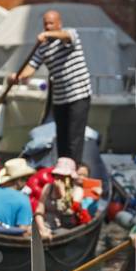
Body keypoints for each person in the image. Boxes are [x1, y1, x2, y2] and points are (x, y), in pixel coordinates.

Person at [10, 10, 92, 163]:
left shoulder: (69, 35)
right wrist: (17, 76)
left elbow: (67, 36)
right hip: (60, 98)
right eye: (45, 24)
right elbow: (31, 68)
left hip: (79, 94)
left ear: (59, 24)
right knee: (61, 137)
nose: (47, 26)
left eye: (51, 23)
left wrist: (48, 35)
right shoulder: (43, 47)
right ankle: (62, 169)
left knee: (74, 136)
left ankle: (73, 169)